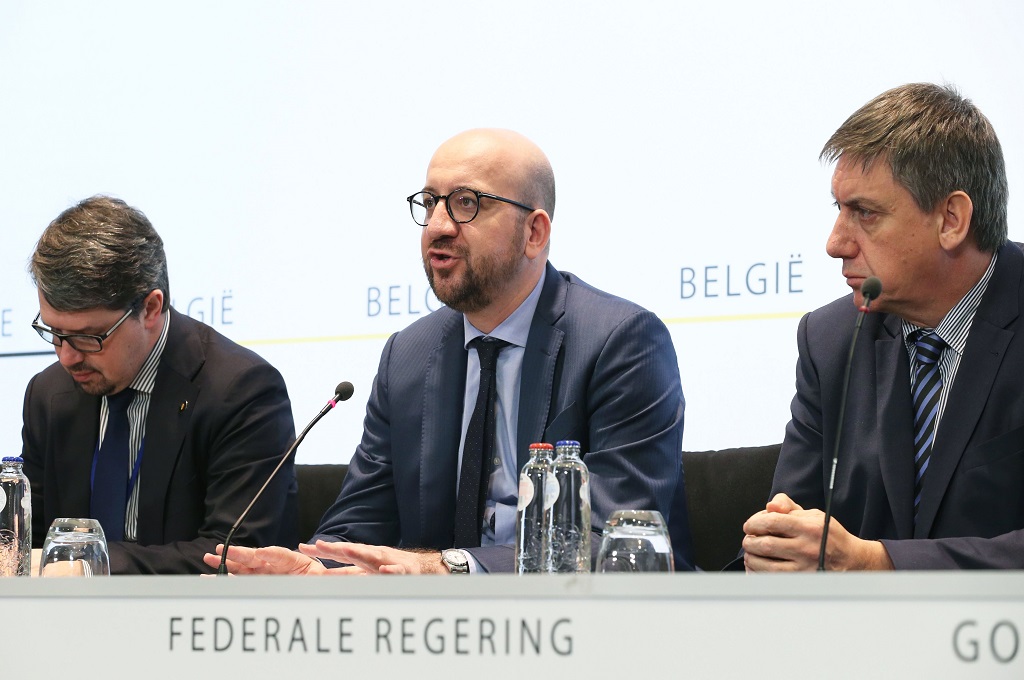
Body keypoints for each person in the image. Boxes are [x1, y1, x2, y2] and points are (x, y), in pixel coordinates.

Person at [207, 128, 692, 574]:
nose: (438, 225)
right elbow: (357, 527)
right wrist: (323, 569)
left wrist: (447, 570)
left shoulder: (621, 341)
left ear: (535, 232)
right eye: (430, 202)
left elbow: (610, 538)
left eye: (466, 203)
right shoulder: (409, 355)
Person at [743, 83, 1024, 570]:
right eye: (839, 210)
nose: (835, 243)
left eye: (865, 213)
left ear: (951, 220)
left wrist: (879, 563)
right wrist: (778, 549)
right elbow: (792, 529)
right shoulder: (829, 341)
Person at [22, 195, 297, 574]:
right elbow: (27, 541)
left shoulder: (241, 392)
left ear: (151, 308)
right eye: (54, 332)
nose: (66, 357)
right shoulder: (48, 395)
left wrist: (88, 566)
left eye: (89, 337)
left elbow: (236, 557)